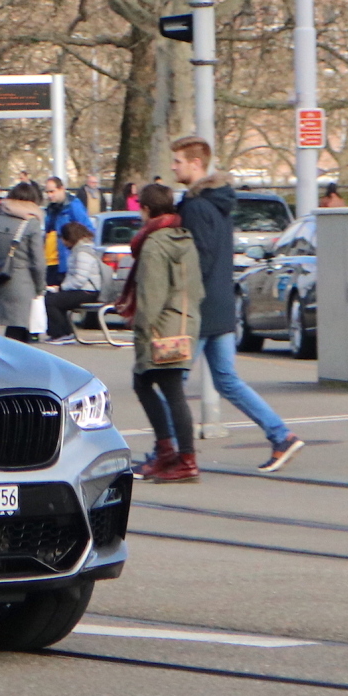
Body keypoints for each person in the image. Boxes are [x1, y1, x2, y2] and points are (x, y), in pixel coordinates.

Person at [170, 135, 304, 473]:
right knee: (226, 380)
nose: (173, 167)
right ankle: (280, 435)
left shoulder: (197, 207)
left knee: (171, 382)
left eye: (178, 162)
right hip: (220, 304)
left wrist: (175, 296)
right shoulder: (219, 203)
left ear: (196, 164)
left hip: (199, 308)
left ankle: (171, 453)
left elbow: (197, 258)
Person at [120, 182, 199, 481]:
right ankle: (171, 453)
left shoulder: (153, 244)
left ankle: (181, 458)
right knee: (162, 387)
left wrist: (140, 326)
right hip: (183, 321)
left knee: (159, 388)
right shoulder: (184, 238)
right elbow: (195, 287)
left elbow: (151, 295)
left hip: (160, 327)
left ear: (147, 209)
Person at [0, 181, 45, 344]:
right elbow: (38, 262)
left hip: (1, 280)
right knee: (23, 331)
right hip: (24, 282)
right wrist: (40, 287)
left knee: (11, 328)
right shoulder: (32, 224)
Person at [44, 220, 104, 341]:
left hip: (88, 292)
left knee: (52, 301)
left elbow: (79, 279)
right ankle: (63, 332)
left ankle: (62, 333)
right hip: (84, 290)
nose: (62, 242)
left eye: (63, 238)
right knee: (52, 297)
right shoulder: (78, 250)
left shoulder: (83, 253)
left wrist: (62, 288)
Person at [41, 176, 93, 284]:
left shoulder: (73, 206)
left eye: (52, 191)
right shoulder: (52, 208)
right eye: (47, 192)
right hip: (51, 262)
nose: (49, 195)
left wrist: (75, 252)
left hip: (66, 263)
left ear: (62, 189)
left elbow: (88, 231)